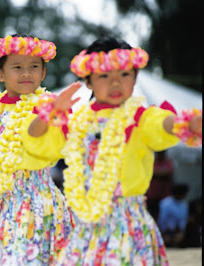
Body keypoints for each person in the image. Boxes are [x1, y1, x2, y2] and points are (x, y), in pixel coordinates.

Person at [28, 36, 202, 265]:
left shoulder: (140, 117)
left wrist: (188, 123)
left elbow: (164, 123)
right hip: (85, 226)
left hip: (127, 223)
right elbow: (35, 139)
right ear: (88, 82)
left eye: (124, 74)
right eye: (104, 75)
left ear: (135, 77)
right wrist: (51, 112)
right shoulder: (78, 122)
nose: (115, 83)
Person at [0, 34, 74, 265]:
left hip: (35, 201)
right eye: (18, 67)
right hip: (2, 203)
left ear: (43, 73)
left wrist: (49, 115)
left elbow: (35, 135)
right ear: (0, 74)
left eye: (33, 67)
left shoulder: (46, 105)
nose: (27, 73)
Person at [146, 150, 174, 221]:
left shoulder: (168, 162)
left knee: (163, 216)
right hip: (152, 195)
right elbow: (148, 173)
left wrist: (155, 174)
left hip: (164, 195)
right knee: (152, 215)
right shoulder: (152, 162)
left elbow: (169, 173)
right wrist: (162, 174)